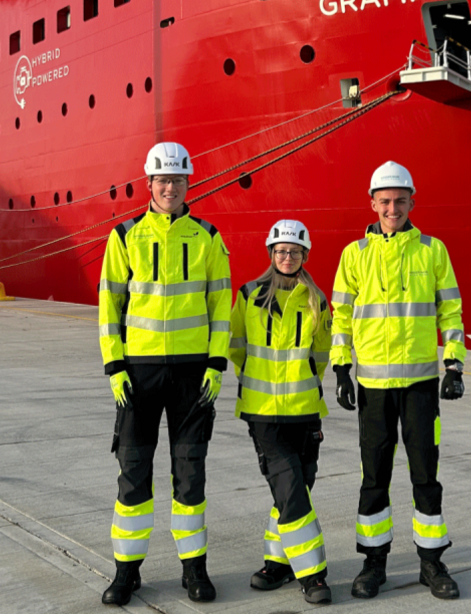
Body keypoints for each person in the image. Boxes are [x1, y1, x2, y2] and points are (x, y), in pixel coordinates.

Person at [98, 142, 233, 605]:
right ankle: (126, 572)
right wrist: (115, 367)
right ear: (149, 184)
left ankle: (194, 570)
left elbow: (221, 305)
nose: (170, 187)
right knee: (133, 473)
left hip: (194, 375)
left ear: (187, 183)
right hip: (138, 374)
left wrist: (217, 363)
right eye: (163, 180)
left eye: (178, 180)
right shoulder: (124, 237)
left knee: (189, 473)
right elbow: (109, 307)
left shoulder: (207, 238)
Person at [329, 161, 467, 601]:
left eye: (400, 201)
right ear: (372, 203)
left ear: (411, 202)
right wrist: (339, 368)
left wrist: (455, 365)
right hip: (371, 385)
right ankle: (374, 563)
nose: (392, 208)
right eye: (385, 201)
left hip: (422, 385)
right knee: (375, 476)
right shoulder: (354, 254)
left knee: (426, 474)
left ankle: (432, 561)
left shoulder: (432, 250)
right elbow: (341, 316)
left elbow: (451, 311)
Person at [229, 220, 333, 605]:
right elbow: (236, 346)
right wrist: (260, 381)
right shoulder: (249, 295)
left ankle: (278, 563)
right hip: (264, 411)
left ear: (305, 255)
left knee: (295, 489)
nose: (287, 257)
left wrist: (305, 380)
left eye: (294, 251)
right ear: (271, 254)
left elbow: (321, 353)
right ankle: (313, 574)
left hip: (305, 410)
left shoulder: (316, 300)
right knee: (291, 490)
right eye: (280, 251)